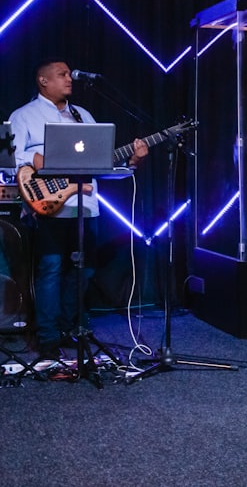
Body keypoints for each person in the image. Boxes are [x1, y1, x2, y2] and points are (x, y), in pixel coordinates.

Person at [8, 58, 148, 359]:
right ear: (43, 81)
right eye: (62, 75)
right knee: (51, 269)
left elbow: (101, 164)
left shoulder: (82, 115)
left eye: (70, 74)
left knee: (84, 271)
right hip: (50, 205)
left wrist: (133, 161)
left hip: (85, 206)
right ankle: (47, 338)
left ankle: (70, 329)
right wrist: (42, 164)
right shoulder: (23, 116)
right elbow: (15, 159)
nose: (69, 79)